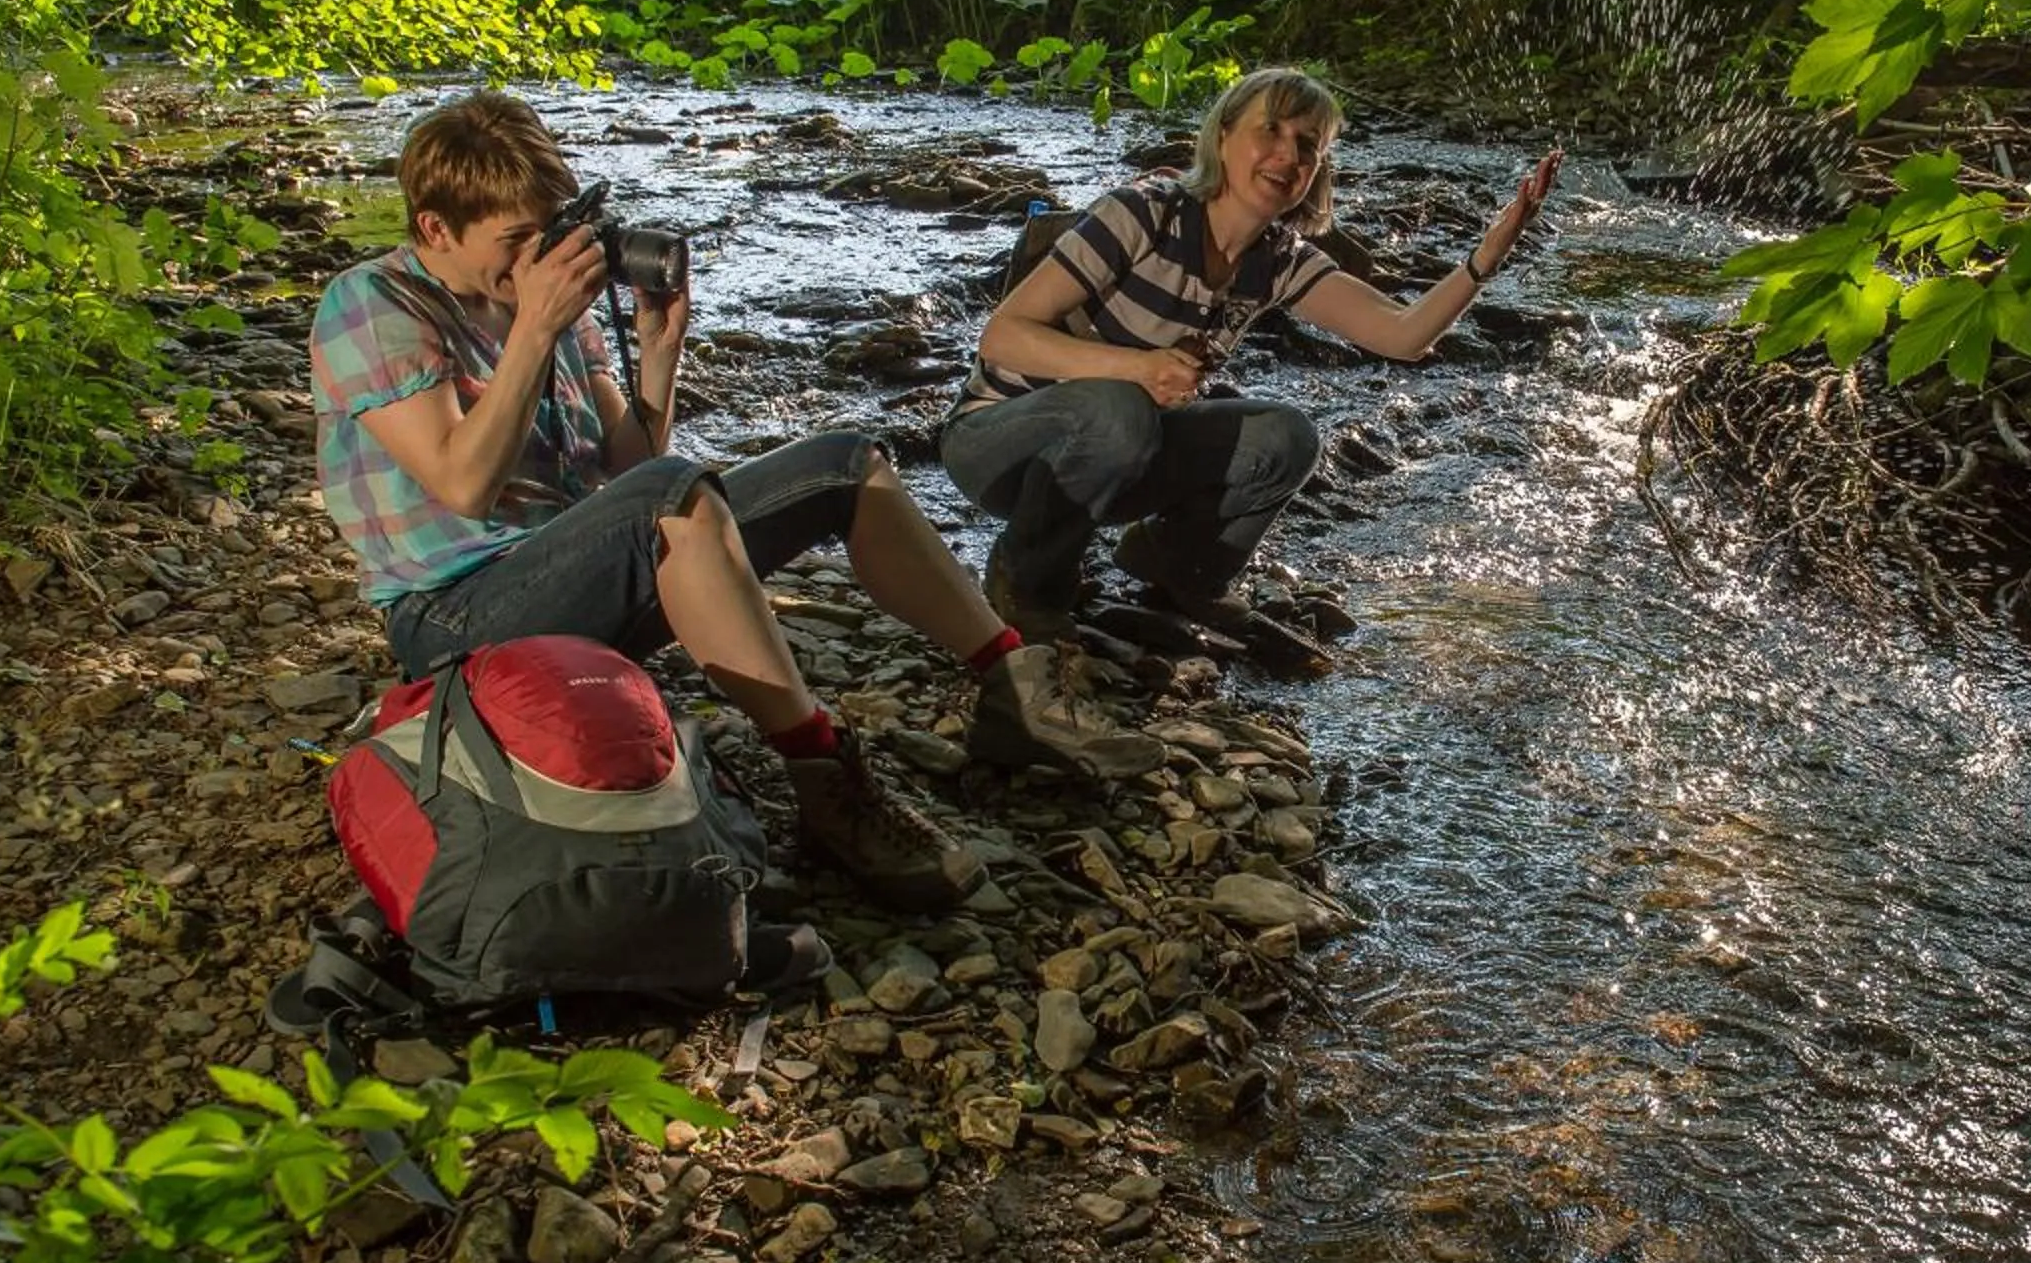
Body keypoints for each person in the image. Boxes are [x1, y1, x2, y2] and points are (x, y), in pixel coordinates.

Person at [308, 91, 1163, 915]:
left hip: (575, 574)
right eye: (517, 239)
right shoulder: (373, 304)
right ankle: (824, 775)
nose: (539, 259)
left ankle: (1015, 690)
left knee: (847, 465)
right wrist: (535, 328)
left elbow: (631, 464)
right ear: (434, 228)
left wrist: (659, 351)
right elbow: (463, 482)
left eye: (551, 233)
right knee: (672, 495)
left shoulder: (549, 310)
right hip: (456, 616)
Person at [944, 66, 1560, 671]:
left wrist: (1488, 255)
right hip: (997, 444)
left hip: (1117, 455)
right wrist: (1137, 367)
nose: (1286, 155)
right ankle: (1026, 581)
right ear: (1222, 137)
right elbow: (1001, 336)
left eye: (1307, 146)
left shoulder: (1278, 260)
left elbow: (1403, 336)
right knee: (1121, 407)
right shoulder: (1142, 213)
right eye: (1270, 131)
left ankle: (1174, 570)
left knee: (1285, 438)